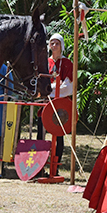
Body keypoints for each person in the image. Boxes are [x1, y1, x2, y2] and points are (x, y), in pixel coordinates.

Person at [36, 33, 74, 170]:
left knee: (58, 135)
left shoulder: (68, 64)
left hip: (60, 105)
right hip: (45, 103)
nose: (54, 45)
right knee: (41, 133)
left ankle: (55, 167)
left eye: (57, 43)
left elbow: (67, 87)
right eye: (52, 43)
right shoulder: (46, 63)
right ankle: (39, 167)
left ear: (61, 45)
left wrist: (49, 89)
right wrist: (47, 90)